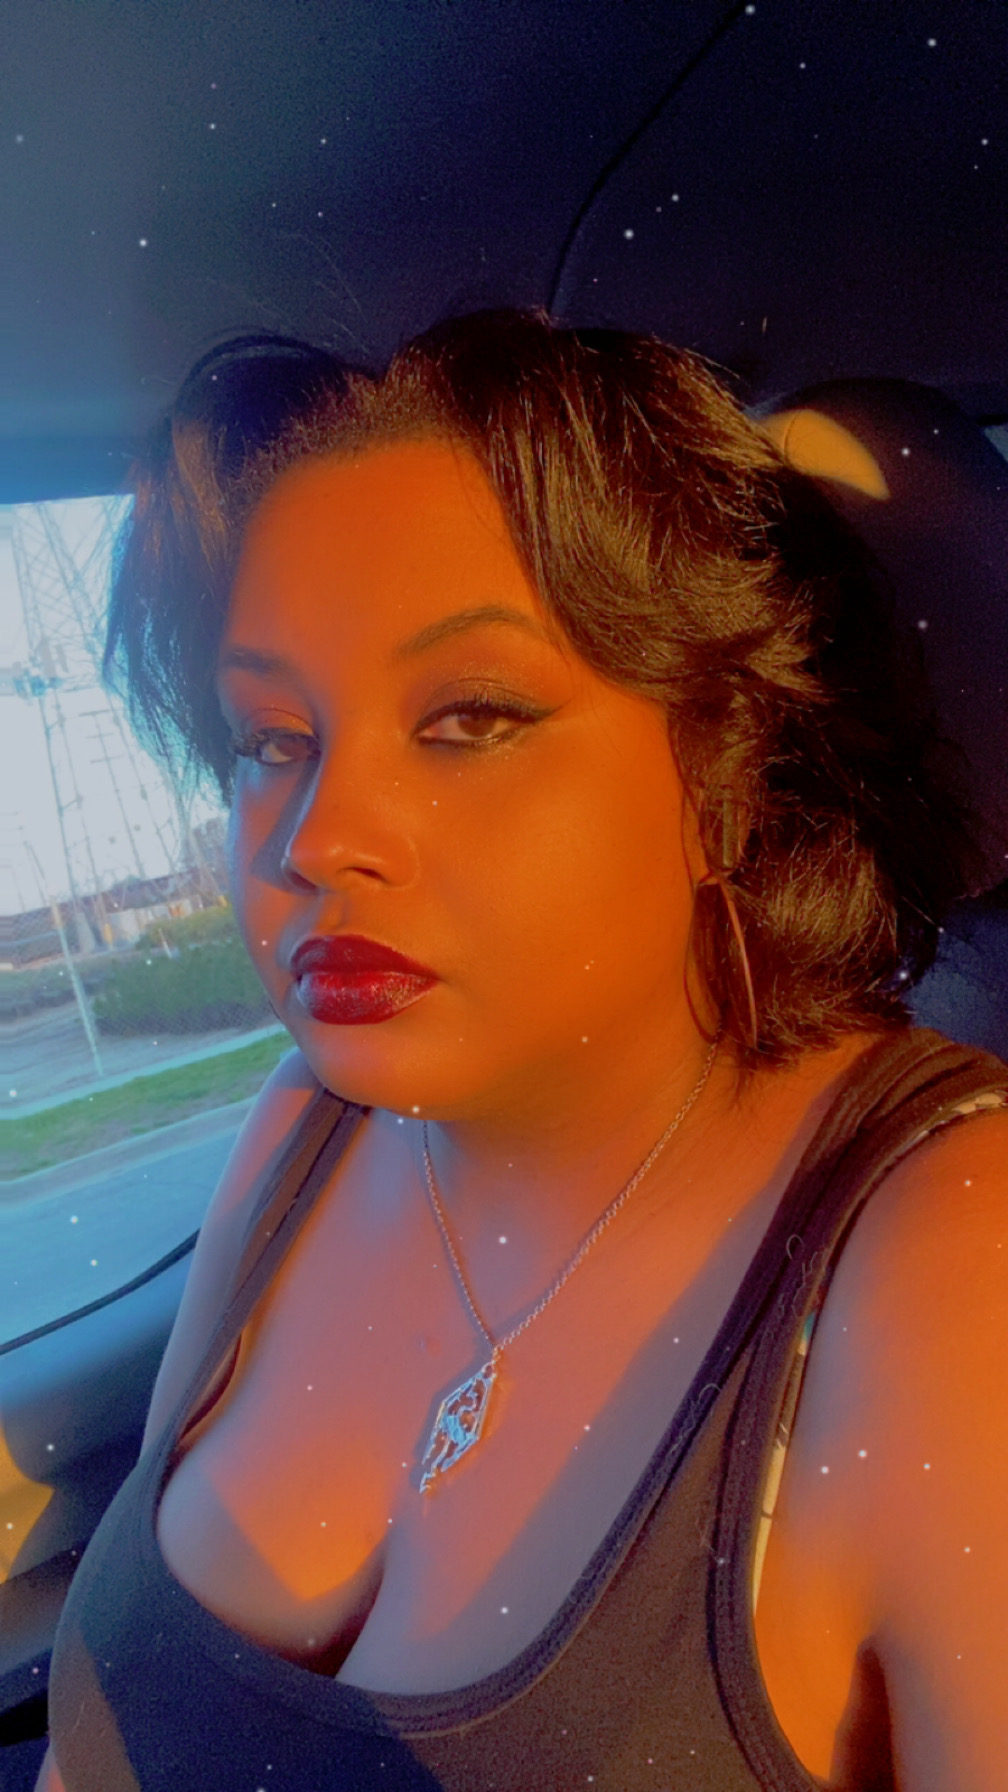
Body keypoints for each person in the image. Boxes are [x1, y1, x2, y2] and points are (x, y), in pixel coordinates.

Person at [38, 311, 1008, 1791]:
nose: (317, 838)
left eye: (470, 717)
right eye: (271, 740)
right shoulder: (304, 1132)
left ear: (729, 772)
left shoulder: (953, 1254)